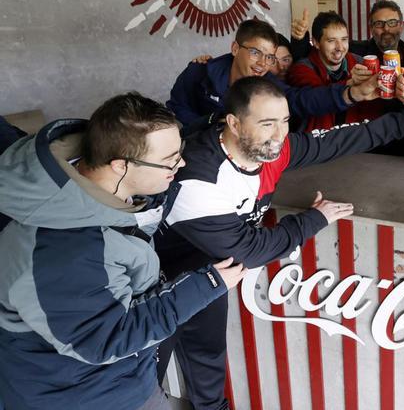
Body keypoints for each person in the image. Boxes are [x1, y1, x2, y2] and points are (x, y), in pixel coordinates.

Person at [154, 77, 404, 409]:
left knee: (207, 350)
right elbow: (250, 249)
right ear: (233, 123)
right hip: (158, 278)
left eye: (285, 122)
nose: (279, 134)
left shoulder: (272, 150)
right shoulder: (200, 178)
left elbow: (333, 141)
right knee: (146, 366)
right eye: (267, 124)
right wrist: (314, 219)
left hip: (209, 270)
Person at [0, 93, 246, 410]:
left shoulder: (99, 194)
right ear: (120, 165)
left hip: (119, 380)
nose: (181, 163)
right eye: (171, 158)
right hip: (77, 395)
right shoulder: (62, 254)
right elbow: (108, 338)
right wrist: (205, 286)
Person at [167, 19, 377, 133]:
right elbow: (176, 107)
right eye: (255, 53)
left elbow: (300, 100)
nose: (262, 64)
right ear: (234, 48)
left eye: (269, 57)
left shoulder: (268, 84)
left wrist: (350, 94)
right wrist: (209, 127)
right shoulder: (200, 72)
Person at [287, 11, 399, 131]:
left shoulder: (360, 63)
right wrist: (351, 84)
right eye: (331, 41)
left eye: (344, 39)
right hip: (320, 144)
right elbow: (319, 99)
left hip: (358, 142)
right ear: (316, 43)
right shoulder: (302, 68)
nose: (340, 47)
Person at [289, 0, 404, 60]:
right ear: (371, 28)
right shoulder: (354, 51)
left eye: (392, 23)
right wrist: (299, 38)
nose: (386, 28)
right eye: (379, 24)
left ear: (401, 26)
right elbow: (311, 56)